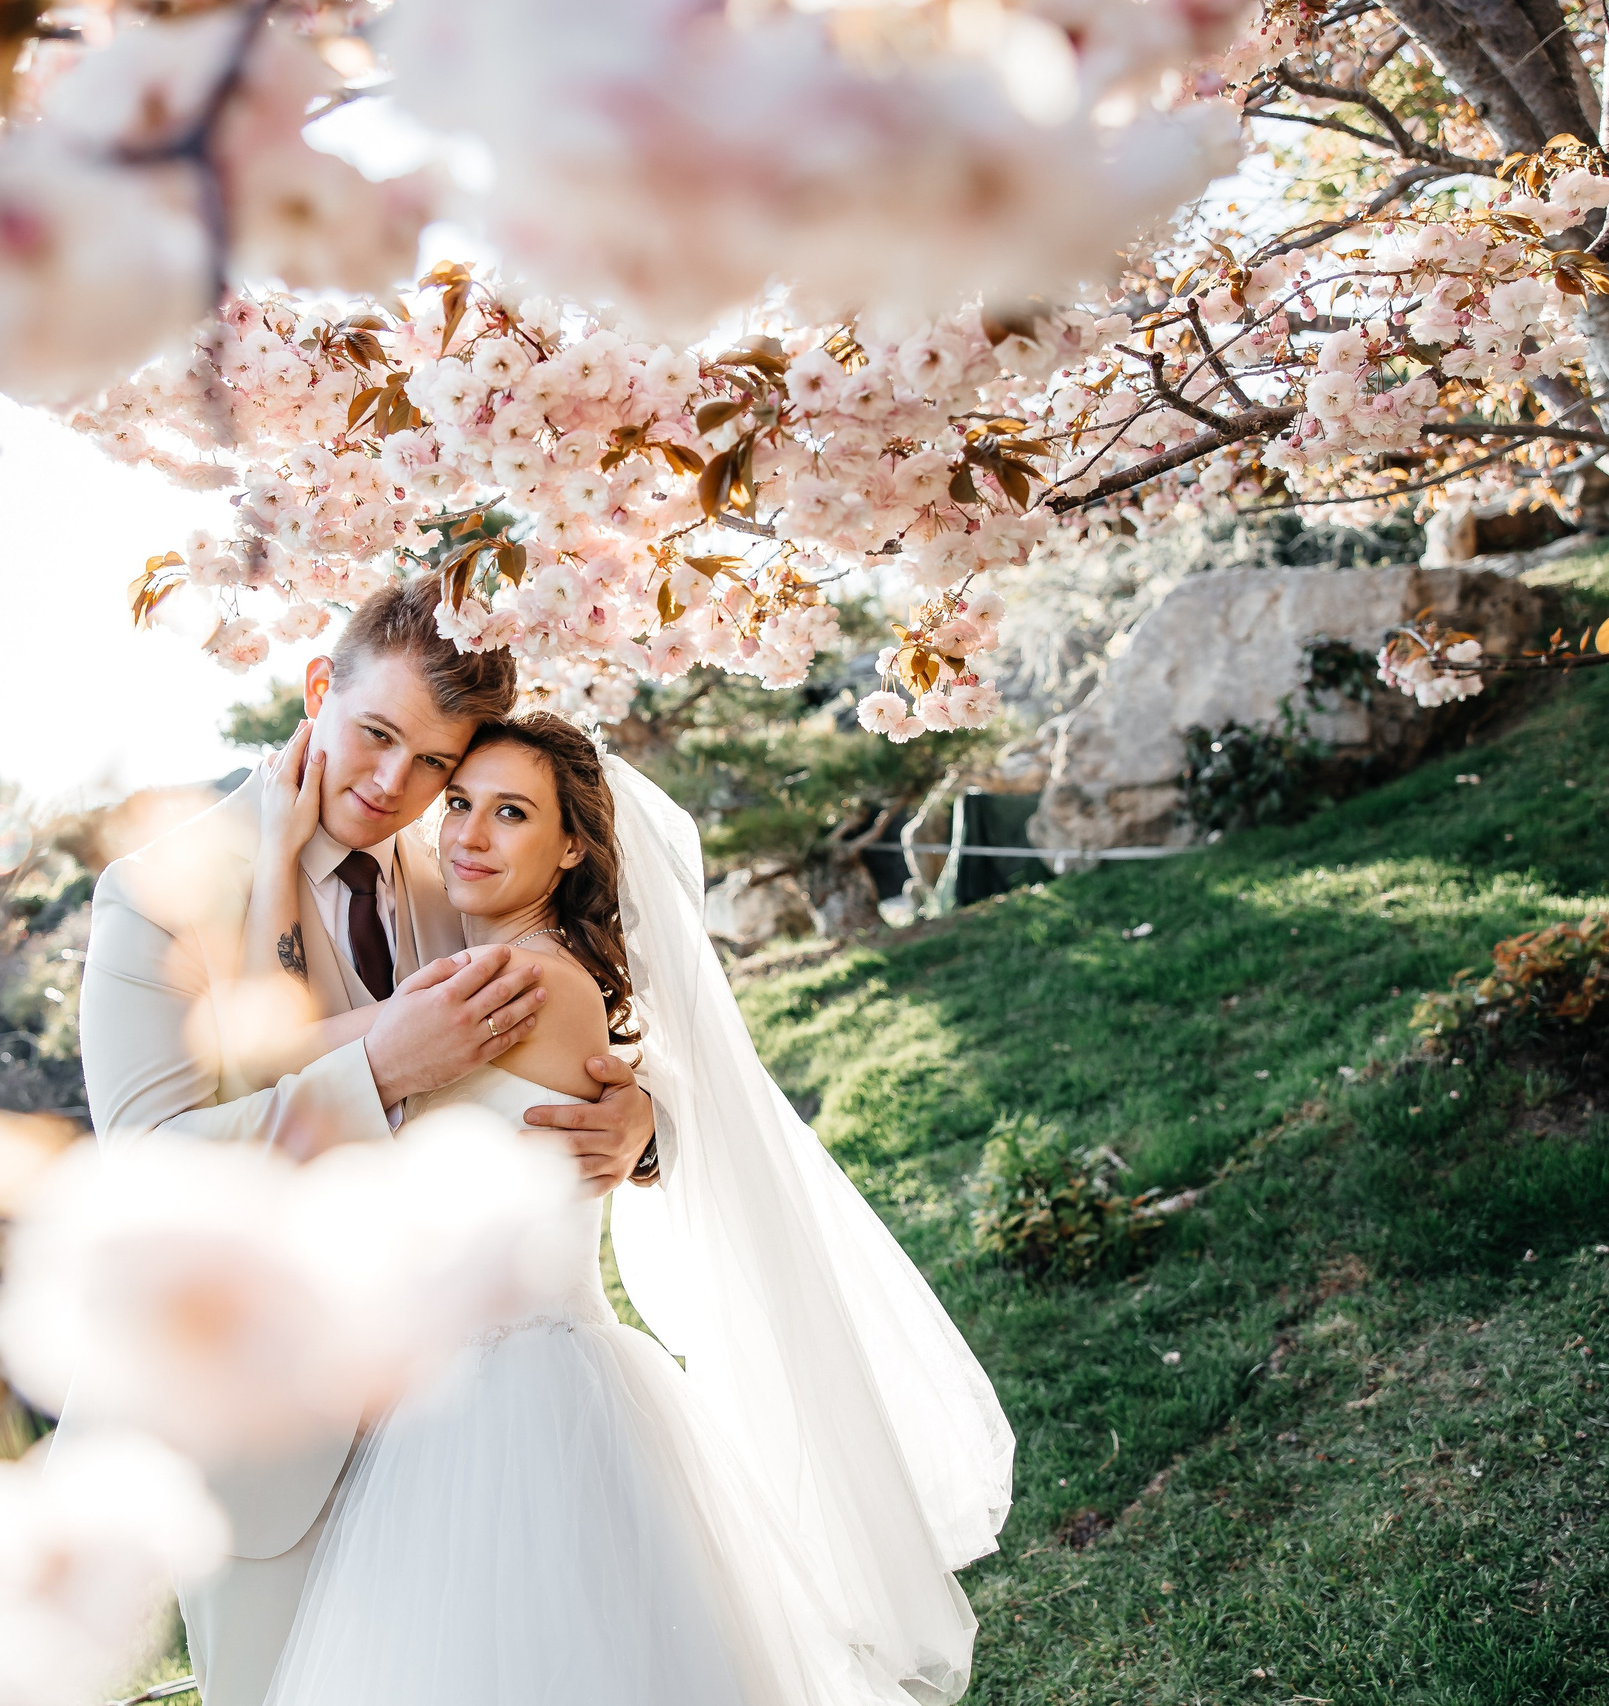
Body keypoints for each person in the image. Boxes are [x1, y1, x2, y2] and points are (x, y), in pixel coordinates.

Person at [243, 712, 1016, 1706]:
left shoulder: (503, 981)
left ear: (570, 845)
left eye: (510, 812)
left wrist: (272, 843)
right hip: (499, 1383)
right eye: (461, 806)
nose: (468, 835)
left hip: (507, 1405)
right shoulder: (547, 970)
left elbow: (277, 1041)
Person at [74, 575, 664, 1706]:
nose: (397, 785)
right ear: (316, 689)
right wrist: (381, 1069)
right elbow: (150, 1162)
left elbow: (571, 1009)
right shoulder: (159, 894)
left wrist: (637, 1116)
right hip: (271, 1431)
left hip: (473, 1426)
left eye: (436, 763)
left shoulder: (458, 860)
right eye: (376, 734)